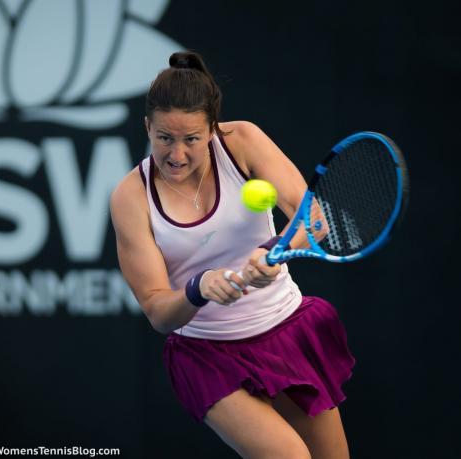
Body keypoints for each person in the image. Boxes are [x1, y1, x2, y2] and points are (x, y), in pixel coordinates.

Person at [110, 51, 355, 459]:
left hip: (286, 329)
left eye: (191, 139)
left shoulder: (242, 141)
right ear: (147, 126)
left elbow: (313, 220)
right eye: (164, 138)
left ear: (212, 129)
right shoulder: (130, 197)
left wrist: (274, 250)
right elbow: (156, 310)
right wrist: (197, 289)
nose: (177, 155)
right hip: (209, 355)